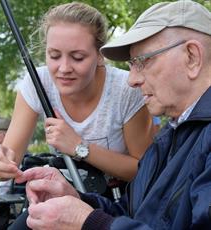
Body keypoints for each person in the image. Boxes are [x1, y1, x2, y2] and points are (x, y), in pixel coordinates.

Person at [11, 1, 211, 229]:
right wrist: (77, 199)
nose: (131, 79)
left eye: (142, 62)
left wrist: (86, 221)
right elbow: (134, 213)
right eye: (131, 65)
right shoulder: (170, 138)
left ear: (192, 57)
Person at [0, 2, 153, 194]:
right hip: (62, 196)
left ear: (100, 56)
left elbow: (145, 170)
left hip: (120, 201)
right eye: (54, 56)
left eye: (78, 57)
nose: (64, 68)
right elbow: (9, 164)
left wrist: (79, 147)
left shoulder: (127, 89)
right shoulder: (37, 83)